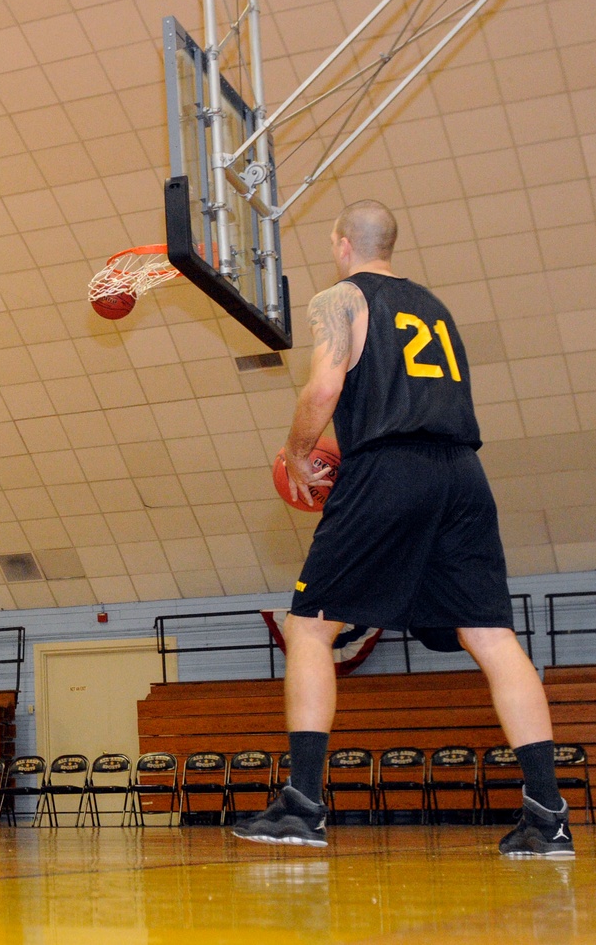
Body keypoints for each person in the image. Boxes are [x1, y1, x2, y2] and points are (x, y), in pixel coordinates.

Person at [233, 200, 573, 858]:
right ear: (389, 242)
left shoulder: (340, 299)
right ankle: (546, 814)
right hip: (463, 474)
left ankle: (302, 804)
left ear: (341, 244)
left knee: (309, 624)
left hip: (389, 467)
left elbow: (324, 387)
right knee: (493, 635)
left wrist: (299, 449)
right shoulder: (434, 308)